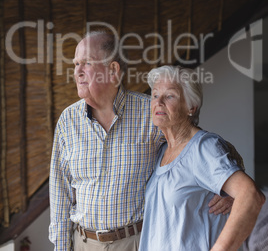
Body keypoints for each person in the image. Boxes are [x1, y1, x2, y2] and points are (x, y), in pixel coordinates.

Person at [49, 31, 240, 251]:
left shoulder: (150, 112)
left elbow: (200, 146)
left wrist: (230, 191)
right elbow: (59, 194)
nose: (78, 72)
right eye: (75, 64)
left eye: (86, 63)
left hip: (135, 242)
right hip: (83, 242)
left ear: (113, 71)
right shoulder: (68, 121)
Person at [138, 65, 265, 251]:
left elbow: (251, 195)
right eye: (155, 95)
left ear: (191, 107)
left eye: (170, 96)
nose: (159, 102)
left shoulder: (203, 147)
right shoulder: (162, 150)